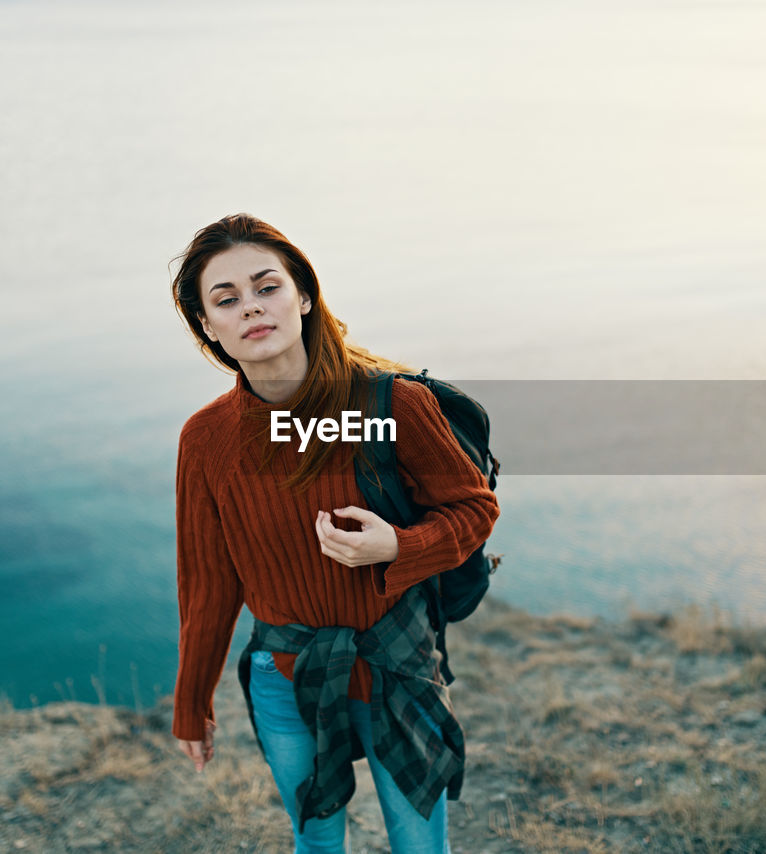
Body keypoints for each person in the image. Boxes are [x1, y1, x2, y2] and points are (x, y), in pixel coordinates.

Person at [168, 213, 501, 854]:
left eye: (267, 287)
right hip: (283, 673)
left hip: (395, 661)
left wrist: (399, 547)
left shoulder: (390, 406)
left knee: (418, 844)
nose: (251, 309)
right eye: (226, 299)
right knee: (316, 842)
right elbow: (208, 583)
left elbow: (472, 510)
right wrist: (192, 700)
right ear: (208, 327)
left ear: (305, 295)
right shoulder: (206, 442)